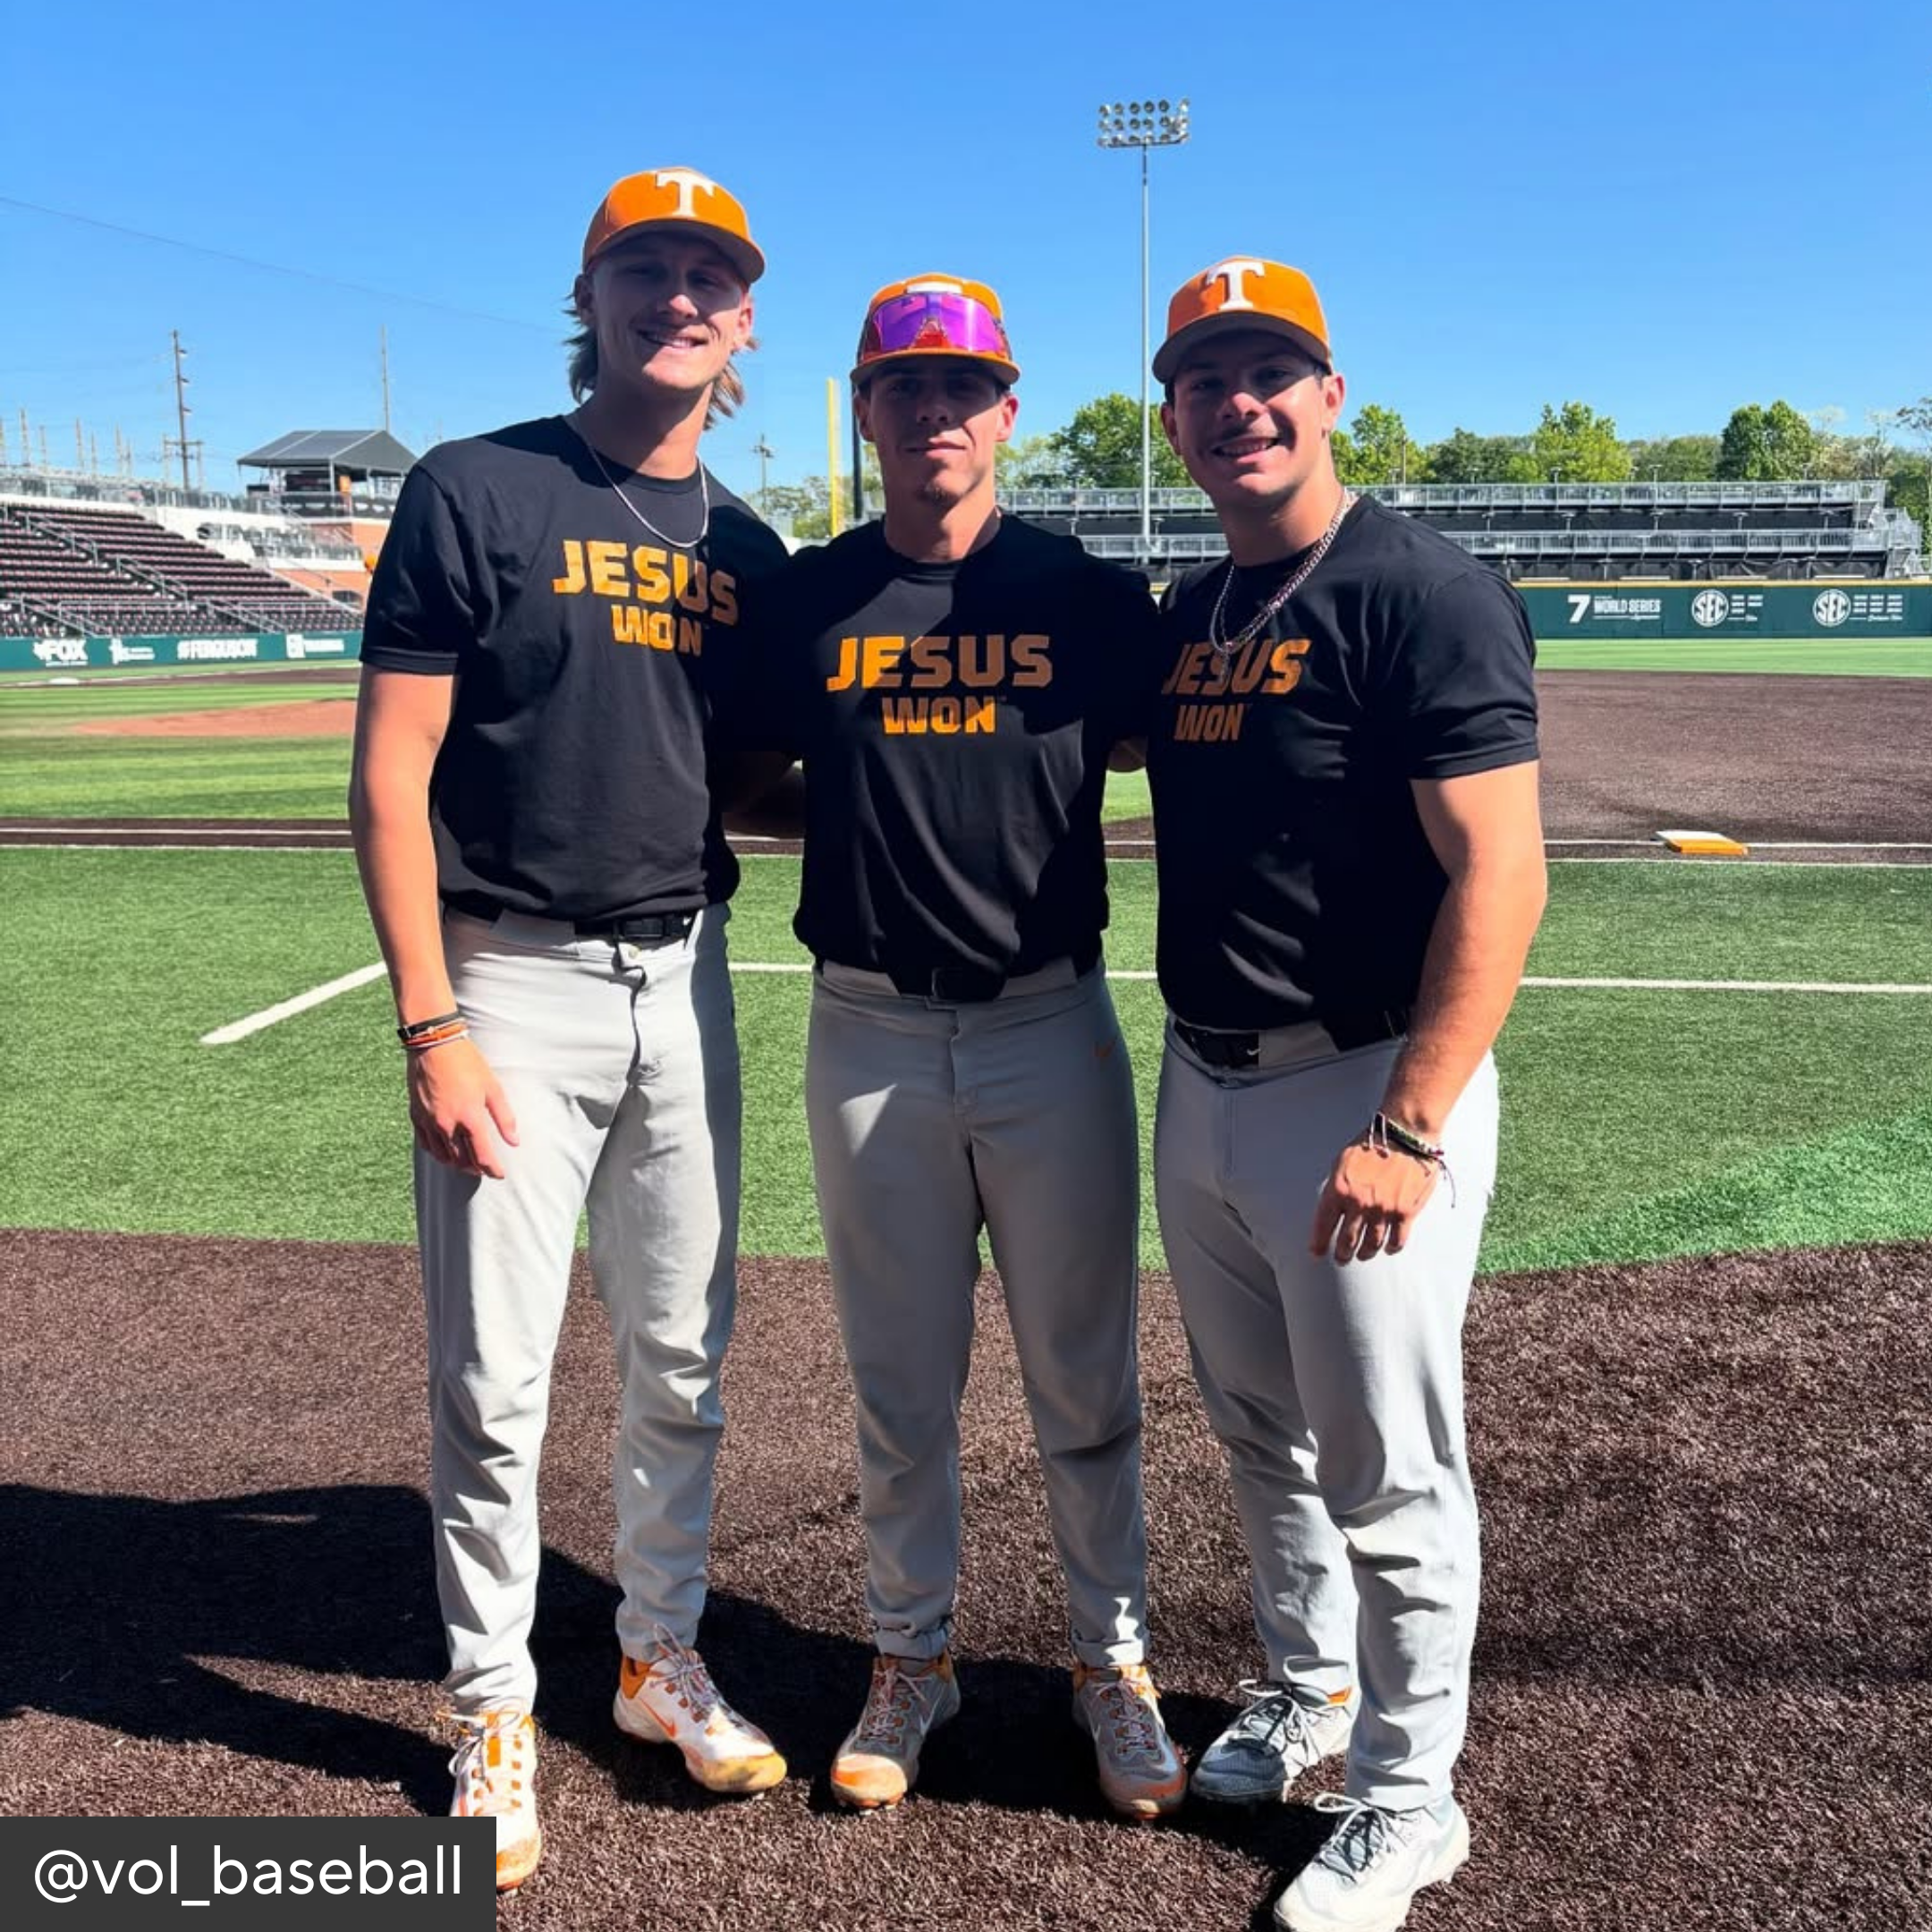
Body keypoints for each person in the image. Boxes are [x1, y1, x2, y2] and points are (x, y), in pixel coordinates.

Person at [348, 166, 790, 1893]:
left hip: (684, 982)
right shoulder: (481, 485)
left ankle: (654, 1648)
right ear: (591, 294)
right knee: (493, 1380)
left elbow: (751, 785)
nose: (680, 298)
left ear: (745, 318)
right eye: (648, 270)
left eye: (712, 277)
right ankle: (486, 1699)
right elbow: (390, 779)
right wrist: (430, 1020)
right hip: (508, 983)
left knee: (685, 1355)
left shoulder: (744, 548)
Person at [733, 274, 1183, 1819]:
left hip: (1049, 1021)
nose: (935, 414)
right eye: (903, 388)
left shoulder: (1087, 594)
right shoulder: (810, 595)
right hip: (865, 1027)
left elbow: (1158, 754)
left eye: (963, 389)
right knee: (899, 1379)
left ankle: (1107, 1659)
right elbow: (740, 769)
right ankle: (909, 1657)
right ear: (864, 412)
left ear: (1009, 411)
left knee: (1085, 1375)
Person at [1141, 258, 1547, 1929]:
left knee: (1391, 1466)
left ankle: (1409, 1796)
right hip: (1207, 1077)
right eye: (1206, 378)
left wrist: (1410, 1126)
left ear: (1330, 393)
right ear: (1172, 417)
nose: (1240, 402)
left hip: (1364, 1086)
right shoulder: (1195, 612)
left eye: (1270, 372)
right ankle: (1308, 1692)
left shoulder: (1416, 588)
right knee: (1257, 1434)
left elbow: (1503, 877)